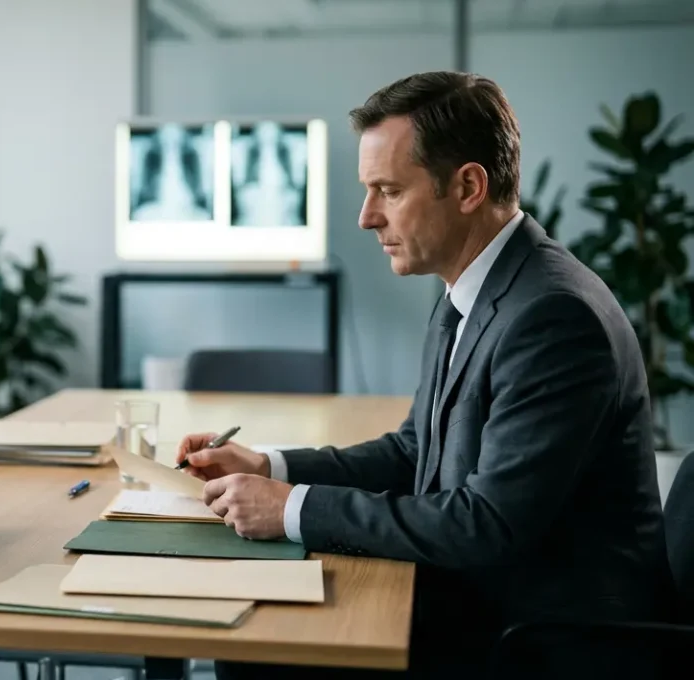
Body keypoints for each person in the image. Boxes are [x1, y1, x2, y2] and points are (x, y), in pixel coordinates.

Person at [176, 72, 667, 679]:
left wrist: (292, 509)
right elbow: (416, 451)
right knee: (259, 635)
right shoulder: (473, 289)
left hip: (536, 639)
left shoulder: (553, 316)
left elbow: (487, 524)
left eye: (388, 190)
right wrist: (271, 468)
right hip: (479, 601)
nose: (365, 218)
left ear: (467, 186)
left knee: (260, 651)